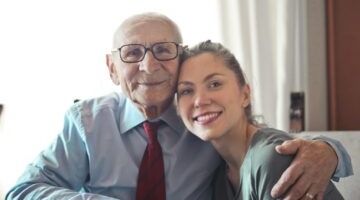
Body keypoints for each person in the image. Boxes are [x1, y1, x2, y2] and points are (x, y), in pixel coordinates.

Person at [6, 12, 352, 200]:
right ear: (112, 69)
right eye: (132, 53)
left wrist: (329, 150)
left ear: (178, 60)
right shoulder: (86, 123)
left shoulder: (202, 123)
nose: (149, 65)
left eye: (163, 50)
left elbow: (263, 146)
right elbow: (21, 191)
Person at [176, 40, 346, 199]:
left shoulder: (272, 158)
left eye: (214, 84)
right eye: (186, 91)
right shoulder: (219, 172)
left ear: (245, 95)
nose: (199, 100)